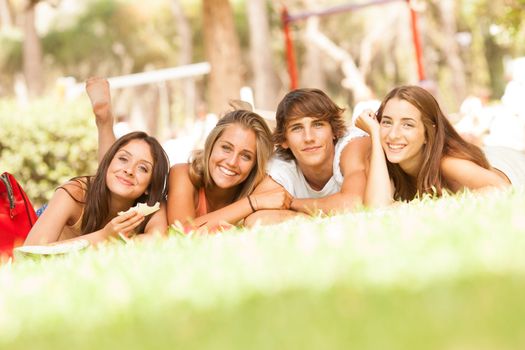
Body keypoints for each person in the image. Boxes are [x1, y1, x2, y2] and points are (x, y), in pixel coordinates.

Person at [87, 78, 291, 231]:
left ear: (256, 163)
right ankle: (104, 122)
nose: (231, 162)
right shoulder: (183, 174)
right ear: (211, 145)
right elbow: (183, 230)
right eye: (226, 148)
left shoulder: (262, 183)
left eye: (246, 156)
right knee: (107, 193)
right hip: (122, 222)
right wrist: (252, 204)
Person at [355, 85, 525, 208]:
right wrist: (376, 137)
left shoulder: (448, 162)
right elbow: (377, 207)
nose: (393, 134)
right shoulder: (379, 158)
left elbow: (501, 189)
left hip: (509, 162)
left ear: (428, 133)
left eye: (408, 125)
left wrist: (429, 206)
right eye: (386, 122)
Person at [245, 88, 371, 226]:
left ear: (334, 131)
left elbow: (351, 204)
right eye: (297, 128)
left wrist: (292, 203)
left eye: (317, 124)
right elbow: (253, 219)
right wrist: (308, 220)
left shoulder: (352, 145)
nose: (309, 137)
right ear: (284, 140)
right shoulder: (281, 166)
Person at [24, 131, 170, 245]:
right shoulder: (73, 193)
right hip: (39, 221)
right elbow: (31, 251)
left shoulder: (153, 205)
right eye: (123, 159)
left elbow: (156, 241)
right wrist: (104, 236)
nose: (129, 170)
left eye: (143, 168)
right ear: (108, 163)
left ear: (150, 186)